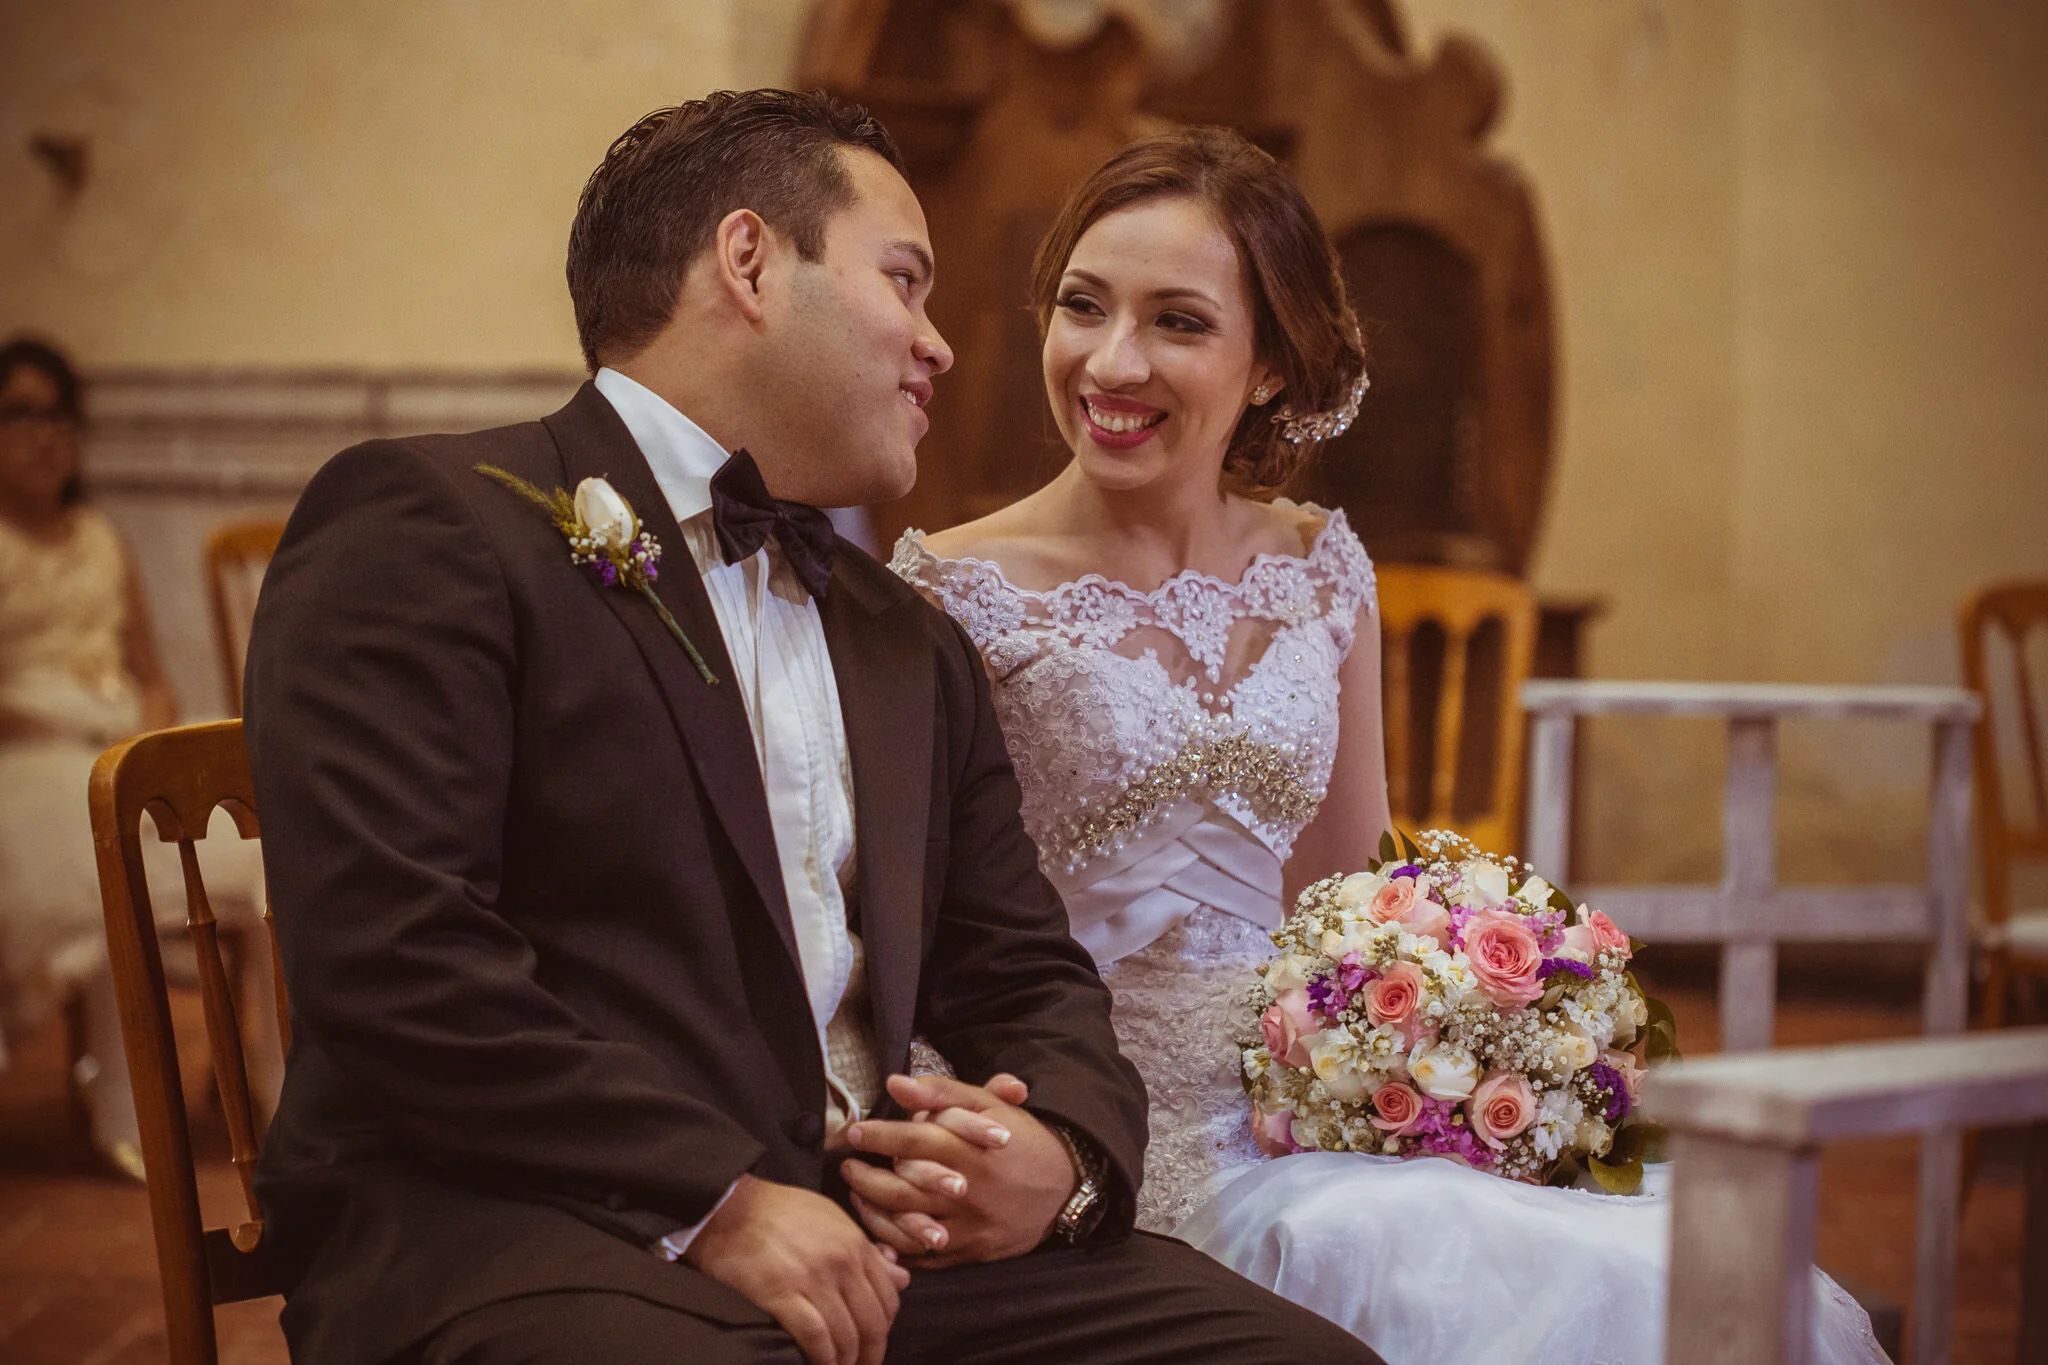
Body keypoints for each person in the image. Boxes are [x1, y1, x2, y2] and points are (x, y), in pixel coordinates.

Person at [243, 90, 1380, 1365]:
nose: (940, 346)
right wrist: (714, 1199)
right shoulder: (436, 525)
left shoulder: (903, 635)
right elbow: (394, 957)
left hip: (869, 1234)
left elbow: (1022, 970)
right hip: (522, 1230)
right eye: (903, 280)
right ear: (748, 262)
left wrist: (1061, 1154)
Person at [889, 127, 1887, 1364]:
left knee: (1660, 1273)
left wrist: (1437, 1048)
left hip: (1308, 1107)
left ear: (1268, 365)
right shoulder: (951, 591)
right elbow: (933, 938)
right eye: (1082, 306)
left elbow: (1348, 904)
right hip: (1091, 1110)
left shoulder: (1319, 569)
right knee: (1369, 1254)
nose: (1111, 360)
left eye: (1177, 322)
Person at [0, 336, 267, 1180]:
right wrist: (64, 720)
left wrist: (143, 743)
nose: (46, 434)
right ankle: (129, 1111)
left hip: (115, 741)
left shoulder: (101, 537)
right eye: (22, 414)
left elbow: (153, 676)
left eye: (60, 415)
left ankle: (277, 1093)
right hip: (27, 756)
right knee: (103, 844)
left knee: (261, 831)